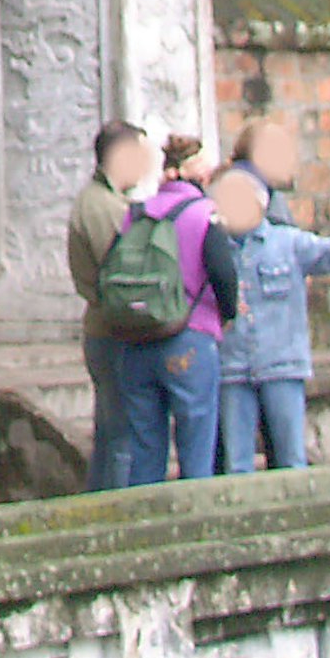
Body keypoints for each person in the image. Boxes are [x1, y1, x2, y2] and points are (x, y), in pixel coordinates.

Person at [99, 134, 237, 484]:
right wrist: (228, 313)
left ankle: (146, 522)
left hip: (135, 340)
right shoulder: (205, 215)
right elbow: (223, 272)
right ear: (200, 175)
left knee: (145, 445)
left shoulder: (136, 215)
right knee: (196, 440)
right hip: (188, 339)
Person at [210, 164, 330, 473]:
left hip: (282, 365)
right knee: (236, 463)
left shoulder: (289, 242)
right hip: (232, 367)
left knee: (290, 457)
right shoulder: (214, 248)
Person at [65, 120, 154, 489]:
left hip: (104, 328)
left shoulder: (103, 201)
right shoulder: (104, 207)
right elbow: (125, 276)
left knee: (110, 433)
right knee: (121, 437)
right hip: (114, 330)